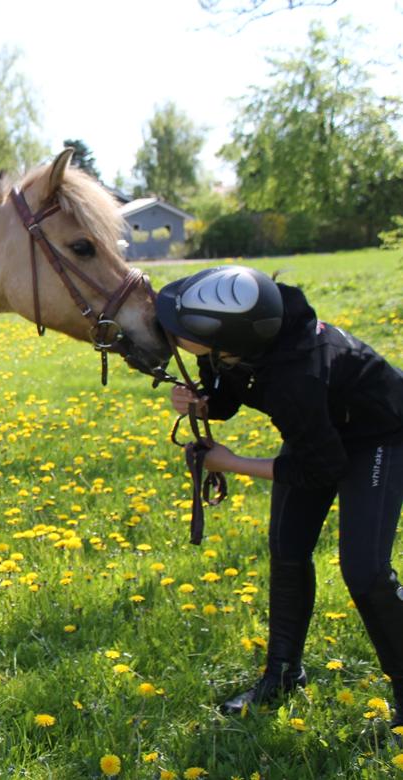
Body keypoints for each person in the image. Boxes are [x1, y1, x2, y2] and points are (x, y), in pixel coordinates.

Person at [156, 265, 403, 729]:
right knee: (287, 550)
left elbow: (319, 469)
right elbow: (230, 393)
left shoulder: (298, 377)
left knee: (366, 573)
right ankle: (283, 674)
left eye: (179, 331)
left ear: (224, 340)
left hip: (380, 434)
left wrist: (228, 463)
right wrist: (203, 404)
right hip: (317, 430)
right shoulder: (246, 338)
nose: (168, 334)